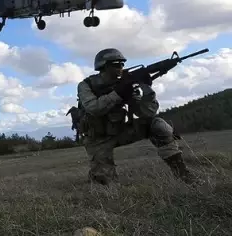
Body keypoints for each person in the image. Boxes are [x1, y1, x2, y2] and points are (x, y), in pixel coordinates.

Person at [76, 48, 199, 186]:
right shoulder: (86, 85)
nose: (121, 68)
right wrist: (119, 93)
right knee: (105, 186)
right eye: (116, 64)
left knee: (158, 125)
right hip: (97, 139)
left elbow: (146, 113)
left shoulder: (124, 84)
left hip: (120, 131)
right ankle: (97, 176)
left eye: (122, 64)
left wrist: (147, 90)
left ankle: (184, 175)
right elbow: (94, 108)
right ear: (103, 66)